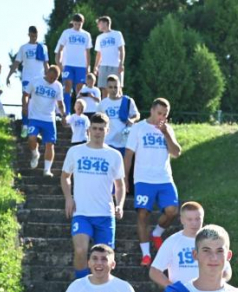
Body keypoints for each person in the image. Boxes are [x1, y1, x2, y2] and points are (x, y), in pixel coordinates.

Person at [61, 113, 125, 280]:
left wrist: (120, 204)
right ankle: (81, 285)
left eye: (101, 129)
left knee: (105, 259)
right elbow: (65, 176)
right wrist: (68, 197)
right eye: (95, 128)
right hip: (82, 212)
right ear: (89, 130)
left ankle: (101, 288)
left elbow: (120, 185)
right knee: (81, 250)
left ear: (107, 131)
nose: (97, 132)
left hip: (105, 213)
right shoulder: (76, 151)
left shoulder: (114, 155)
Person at [124, 98, 182, 267]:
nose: (161, 117)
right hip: (143, 179)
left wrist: (166, 134)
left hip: (164, 178)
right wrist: (125, 178)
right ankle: (146, 254)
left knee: (172, 211)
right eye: (159, 113)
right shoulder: (138, 128)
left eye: (165, 114)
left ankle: (157, 233)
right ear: (151, 110)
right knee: (143, 214)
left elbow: (176, 152)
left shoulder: (168, 130)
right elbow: (128, 155)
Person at [149, 201, 231, 288]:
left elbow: (226, 269)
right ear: (182, 220)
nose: (194, 223)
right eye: (189, 219)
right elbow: (154, 271)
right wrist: (173, 288)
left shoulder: (213, 240)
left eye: (197, 219)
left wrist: (221, 282)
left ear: (202, 218)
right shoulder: (172, 242)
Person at [8, 26, 49, 138]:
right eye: (32, 35)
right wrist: (9, 75)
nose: (34, 37)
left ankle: (36, 127)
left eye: (36, 35)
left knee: (37, 102)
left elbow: (46, 64)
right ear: (29, 34)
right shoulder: (24, 48)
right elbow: (16, 63)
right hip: (27, 78)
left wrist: (48, 77)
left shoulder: (43, 47)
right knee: (25, 101)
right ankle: (25, 125)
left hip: (39, 79)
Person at [26, 65, 66, 177]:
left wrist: (63, 115)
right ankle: (35, 153)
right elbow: (26, 94)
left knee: (50, 144)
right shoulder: (35, 81)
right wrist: (25, 106)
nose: (52, 80)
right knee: (31, 138)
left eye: (55, 78)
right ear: (47, 73)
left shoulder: (58, 86)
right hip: (35, 117)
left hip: (49, 119)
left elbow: (60, 103)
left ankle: (47, 170)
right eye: (51, 77)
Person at [55, 13, 92, 115]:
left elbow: (88, 52)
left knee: (79, 90)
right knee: (67, 86)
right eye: (75, 24)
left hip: (81, 66)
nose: (77, 26)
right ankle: (67, 111)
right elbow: (60, 49)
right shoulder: (67, 33)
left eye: (79, 24)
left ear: (82, 23)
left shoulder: (86, 35)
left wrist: (88, 66)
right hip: (68, 65)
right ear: (73, 23)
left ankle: (79, 113)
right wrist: (59, 63)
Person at [99, 74, 139, 158]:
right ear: (107, 88)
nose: (113, 90)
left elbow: (137, 115)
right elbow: (98, 121)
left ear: (120, 87)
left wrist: (132, 120)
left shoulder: (128, 101)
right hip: (108, 141)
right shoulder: (102, 104)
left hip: (124, 142)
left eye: (115, 87)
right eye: (110, 87)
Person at [93, 16, 126, 96]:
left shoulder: (117, 34)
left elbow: (122, 50)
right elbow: (99, 54)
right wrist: (96, 66)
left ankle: (119, 106)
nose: (98, 26)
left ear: (105, 23)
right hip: (103, 66)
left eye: (99, 23)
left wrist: (121, 63)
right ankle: (105, 107)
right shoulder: (99, 37)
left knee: (117, 89)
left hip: (115, 65)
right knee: (104, 89)